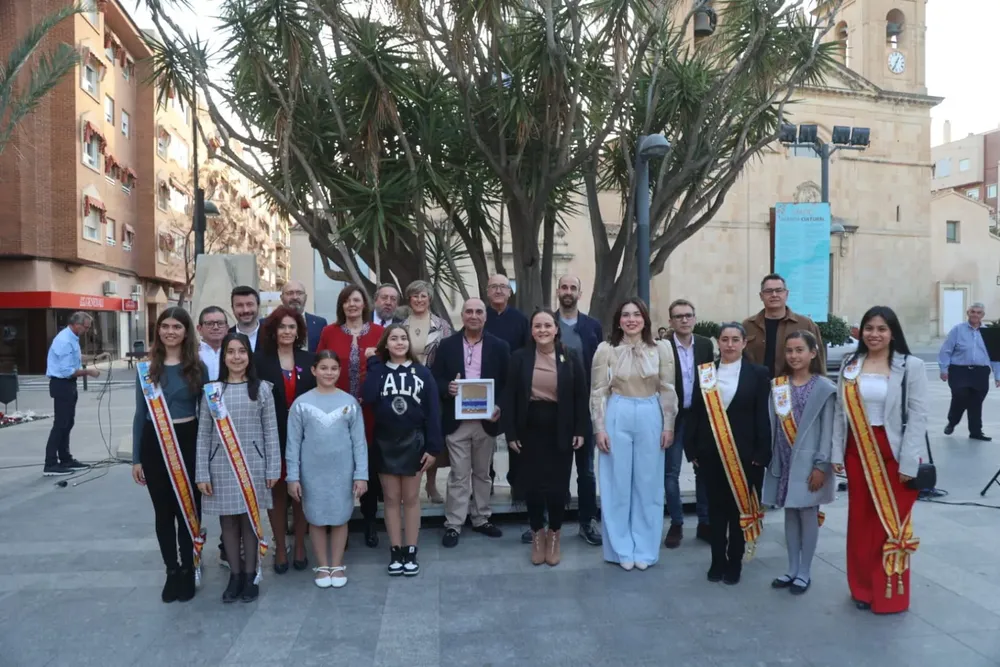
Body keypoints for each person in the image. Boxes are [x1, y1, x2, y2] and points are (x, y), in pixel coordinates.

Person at [832, 306, 925, 614]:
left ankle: (889, 593)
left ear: (893, 332)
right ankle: (861, 587)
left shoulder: (910, 366)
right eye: (869, 328)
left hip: (893, 451)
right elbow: (838, 414)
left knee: (891, 524)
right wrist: (835, 454)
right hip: (857, 449)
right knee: (860, 521)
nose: (874, 334)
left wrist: (909, 464)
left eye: (882, 329)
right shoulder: (851, 364)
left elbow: (917, 417)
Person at [590, 298, 677, 571]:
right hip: (619, 410)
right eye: (625, 315)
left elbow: (668, 388)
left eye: (636, 314)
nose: (631, 319)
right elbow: (598, 392)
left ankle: (645, 548)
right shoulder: (606, 350)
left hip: (650, 410)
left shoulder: (661, 348)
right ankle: (620, 549)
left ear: (644, 319)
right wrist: (599, 428)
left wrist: (668, 425)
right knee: (616, 483)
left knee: (648, 484)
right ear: (618, 320)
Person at [195, 333, 280, 603]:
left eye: (241, 351)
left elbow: (271, 431)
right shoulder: (213, 391)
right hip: (221, 465)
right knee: (229, 522)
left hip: (253, 465)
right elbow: (204, 434)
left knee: (250, 521)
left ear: (249, 355)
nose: (236, 357)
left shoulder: (262, 389)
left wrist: (273, 468)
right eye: (230, 352)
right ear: (224, 357)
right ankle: (235, 576)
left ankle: (250, 573)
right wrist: (201, 472)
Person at [130, 307, 208, 603]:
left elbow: (207, 416)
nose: (171, 331)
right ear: (158, 330)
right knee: (163, 512)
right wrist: (136, 458)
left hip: (188, 440)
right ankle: (171, 570)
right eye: (165, 326)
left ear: (186, 331)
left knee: (188, 510)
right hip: (154, 442)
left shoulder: (198, 368)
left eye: (177, 326)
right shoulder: (146, 369)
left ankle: (189, 568)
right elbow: (140, 414)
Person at [686, 322, 770, 585]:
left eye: (735, 339)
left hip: (745, 455)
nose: (730, 344)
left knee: (738, 512)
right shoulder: (706, 373)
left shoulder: (758, 374)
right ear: (718, 343)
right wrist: (692, 449)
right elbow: (696, 413)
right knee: (716, 510)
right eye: (725, 339)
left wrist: (762, 452)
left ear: (744, 343)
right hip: (711, 453)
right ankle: (716, 561)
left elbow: (762, 416)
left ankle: (734, 561)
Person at [503, 310, 588, 566]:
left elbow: (580, 397)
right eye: (537, 325)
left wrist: (580, 430)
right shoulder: (519, 358)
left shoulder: (570, 357)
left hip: (560, 429)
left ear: (556, 329)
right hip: (528, 430)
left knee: (557, 487)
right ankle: (537, 533)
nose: (542, 330)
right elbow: (509, 397)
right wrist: (511, 433)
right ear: (531, 330)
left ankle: (554, 535)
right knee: (533, 487)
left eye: (547, 325)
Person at [363, 325, 443, 576]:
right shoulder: (378, 370)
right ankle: (395, 549)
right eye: (393, 339)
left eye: (403, 338)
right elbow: (368, 396)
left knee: (410, 499)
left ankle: (411, 549)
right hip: (386, 441)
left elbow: (433, 412)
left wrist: (433, 447)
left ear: (409, 343)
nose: (399, 342)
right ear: (385, 344)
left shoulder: (422, 372)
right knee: (390, 499)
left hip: (414, 441)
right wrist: (374, 364)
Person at [762, 331, 836, 595]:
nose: (794, 355)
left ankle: (805, 571)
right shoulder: (779, 385)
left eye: (800, 350)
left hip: (810, 465)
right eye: (790, 350)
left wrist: (821, 466)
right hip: (785, 461)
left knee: (807, 515)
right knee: (790, 515)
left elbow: (828, 431)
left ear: (813, 353)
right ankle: (791, 568)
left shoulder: (825, 388)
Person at [432, 298, 510, 548]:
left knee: (482, 473)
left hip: (486, 421)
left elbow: (508, 383)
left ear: (485, 317)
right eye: (469, 311)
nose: (474, 315)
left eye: (479, 312)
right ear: (462, 316)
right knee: (458, 474)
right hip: (457, 422)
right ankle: (454, 524)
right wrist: (448, 387)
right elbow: (436, 379)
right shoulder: (446, 345)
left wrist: (499, 406)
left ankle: (481, 518)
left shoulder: (500, 346)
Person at [286, 351, 368, 589]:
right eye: (323, 368)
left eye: (333, 368)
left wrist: (360, 474)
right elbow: (293, 443)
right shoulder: (301, 404)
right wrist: (293, 476)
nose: (329, 373)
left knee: (341, 517)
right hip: (312, 473)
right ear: (313, 370)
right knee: (317, 518)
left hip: (342, 472)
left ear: (339, 372)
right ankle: (322, 565)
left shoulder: (349, 403)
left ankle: (337, 564)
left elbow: (359, 443)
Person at [317, 284, 384, 547]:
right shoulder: (329, 332)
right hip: (336, 409)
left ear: (365, 304)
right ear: (342, 306)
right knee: (340, 467)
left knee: (368, 466)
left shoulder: (379, 333)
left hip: (371, 412)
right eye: (347, 301)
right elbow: (320, 366)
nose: (352, 305)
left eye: (357, 300)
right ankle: (339, 522)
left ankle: (370, 521)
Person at [255, 306, 316, 573]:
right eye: (282, 327)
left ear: (299, 331)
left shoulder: (309, 358)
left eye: (292, 327)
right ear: (273, 331)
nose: (288, 332)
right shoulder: (260, 361)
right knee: (278, 493)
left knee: (302, 493)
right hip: (273, 436)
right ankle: (280, 547)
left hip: (306, 438)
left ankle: (300, 545)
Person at [555, 274, 603, 546]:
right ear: (558, 291)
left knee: (586, 471)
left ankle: (587, 522)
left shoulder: (592, 327)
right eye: (564, 287)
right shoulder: (547, 324)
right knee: (555, 470)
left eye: (573, 287)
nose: (568, 292)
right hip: (554, 409)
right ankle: (552, 523)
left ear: (580, 293)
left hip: (584, 409)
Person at [663, 299, 715, 548]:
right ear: (671, 321)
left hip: (699, 416)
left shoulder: (705, 345)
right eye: (678, 316)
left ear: (694, 318)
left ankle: (705, 522)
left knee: (703, 470)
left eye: (688, 315)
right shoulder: (662, 347)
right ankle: (676, 522)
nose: (684, 320)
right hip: (673, 416)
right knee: (670, 472)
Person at [397, 279, 453, 504]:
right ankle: (407, 484)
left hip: (432, 386)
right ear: (409, 299)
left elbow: (449, 356)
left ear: (429, 299)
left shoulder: (442, 326)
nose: (419, 300)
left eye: (423, 296)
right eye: (415, 296)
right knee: (406, 434)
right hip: (405, 386)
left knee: (432, 433)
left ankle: (430, 484)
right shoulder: (400, 325)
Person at [483, 274, 529, 505]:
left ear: (510, 291)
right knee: (484, 439)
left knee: (516, 439)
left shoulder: (521, 320)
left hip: (515, 388)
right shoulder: (480, 318)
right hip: (486, 388)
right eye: (494, 287)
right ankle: (485, 483)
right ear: (487, 291)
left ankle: (518, 487)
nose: (499, 291)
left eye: (503, 286)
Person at [43, 311, 100, 476]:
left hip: (68, 385)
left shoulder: (72, 338)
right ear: (77, 324)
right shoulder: (64, 340)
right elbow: (67, 370)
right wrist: (89, 372)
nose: (87, 331)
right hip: (62, 384)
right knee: (60, 424)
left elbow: (75, 357)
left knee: (68, 423)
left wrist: (95, 357)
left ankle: (66, 458)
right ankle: (51, 463)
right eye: (85, 327)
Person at [742, 274, 825, 378]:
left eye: (779, 290)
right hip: (755, 388)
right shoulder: (748, 325)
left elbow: (819, 360)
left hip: (794, 388)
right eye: (768, 291)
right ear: (761, 296)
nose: (774, 294)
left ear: (786, 294)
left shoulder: (806, 324)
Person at [938, 302, 1000, 441]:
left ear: (982, 315)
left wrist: (998, 375)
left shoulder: (989, 332)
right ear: (968, 313)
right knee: (960, 395)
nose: (975, 315)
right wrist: (944, 369)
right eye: (973, 312)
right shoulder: (957, 330)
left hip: (980, 371)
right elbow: (946, 350)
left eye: (978, 312)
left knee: (976, 402)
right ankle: (953, 421)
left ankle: (976, 432)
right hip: (959, 370)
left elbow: (995, 356)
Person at [279, 280, 328, 353]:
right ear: (281, 297)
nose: (295, 297)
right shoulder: (268, 323)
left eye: (299, 293)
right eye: (290, 293)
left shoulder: (320, 324)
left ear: (305, 297)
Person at [197, 306, 228, 381]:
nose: (216, 327)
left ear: (227, 328)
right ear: (199, 329)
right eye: (209, 323)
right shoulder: (191, 353)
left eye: (220, 323)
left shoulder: (235, 354)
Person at [230, 286, 262, 352]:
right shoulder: (226, 336)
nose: (245, 310)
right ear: (232, 309)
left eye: (250, 304)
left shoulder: (272, 335)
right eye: (239, 305)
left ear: (258, 306)